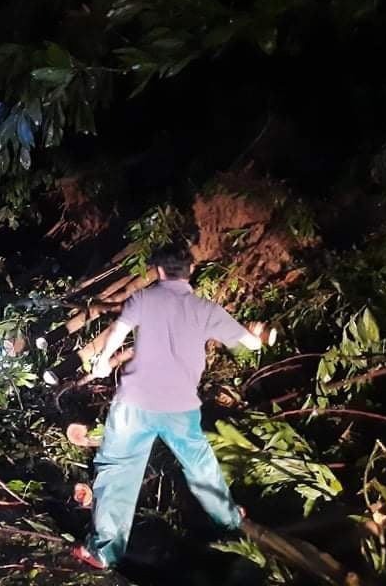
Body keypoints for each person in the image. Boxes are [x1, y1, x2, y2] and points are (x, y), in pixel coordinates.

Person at [72, 244, 263, 570]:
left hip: (134, 404)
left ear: (159, 271)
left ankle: (104, 552)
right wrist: (256, 333)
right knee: (200, 466)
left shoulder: (142, 299)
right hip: (180, 408)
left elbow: (118, 332)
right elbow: (252, 344)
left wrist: (102, 362)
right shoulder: (206, 309)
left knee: (118, 469)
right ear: (191, 271)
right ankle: (230, 521)